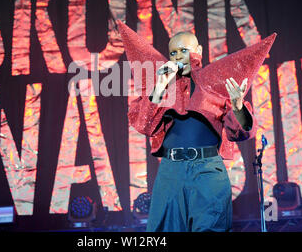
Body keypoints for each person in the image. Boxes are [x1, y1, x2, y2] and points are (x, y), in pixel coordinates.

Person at [117, 21, 276, 232]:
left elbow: (241, 132)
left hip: (207, 170)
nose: (178, 56)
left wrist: (238, 107)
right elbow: (143, 123)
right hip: (170, 172)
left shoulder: (215, 84)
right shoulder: (164, 87)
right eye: (173, 52)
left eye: (184, 50)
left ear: (198, 51)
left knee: (211, 227)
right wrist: (159, 86)